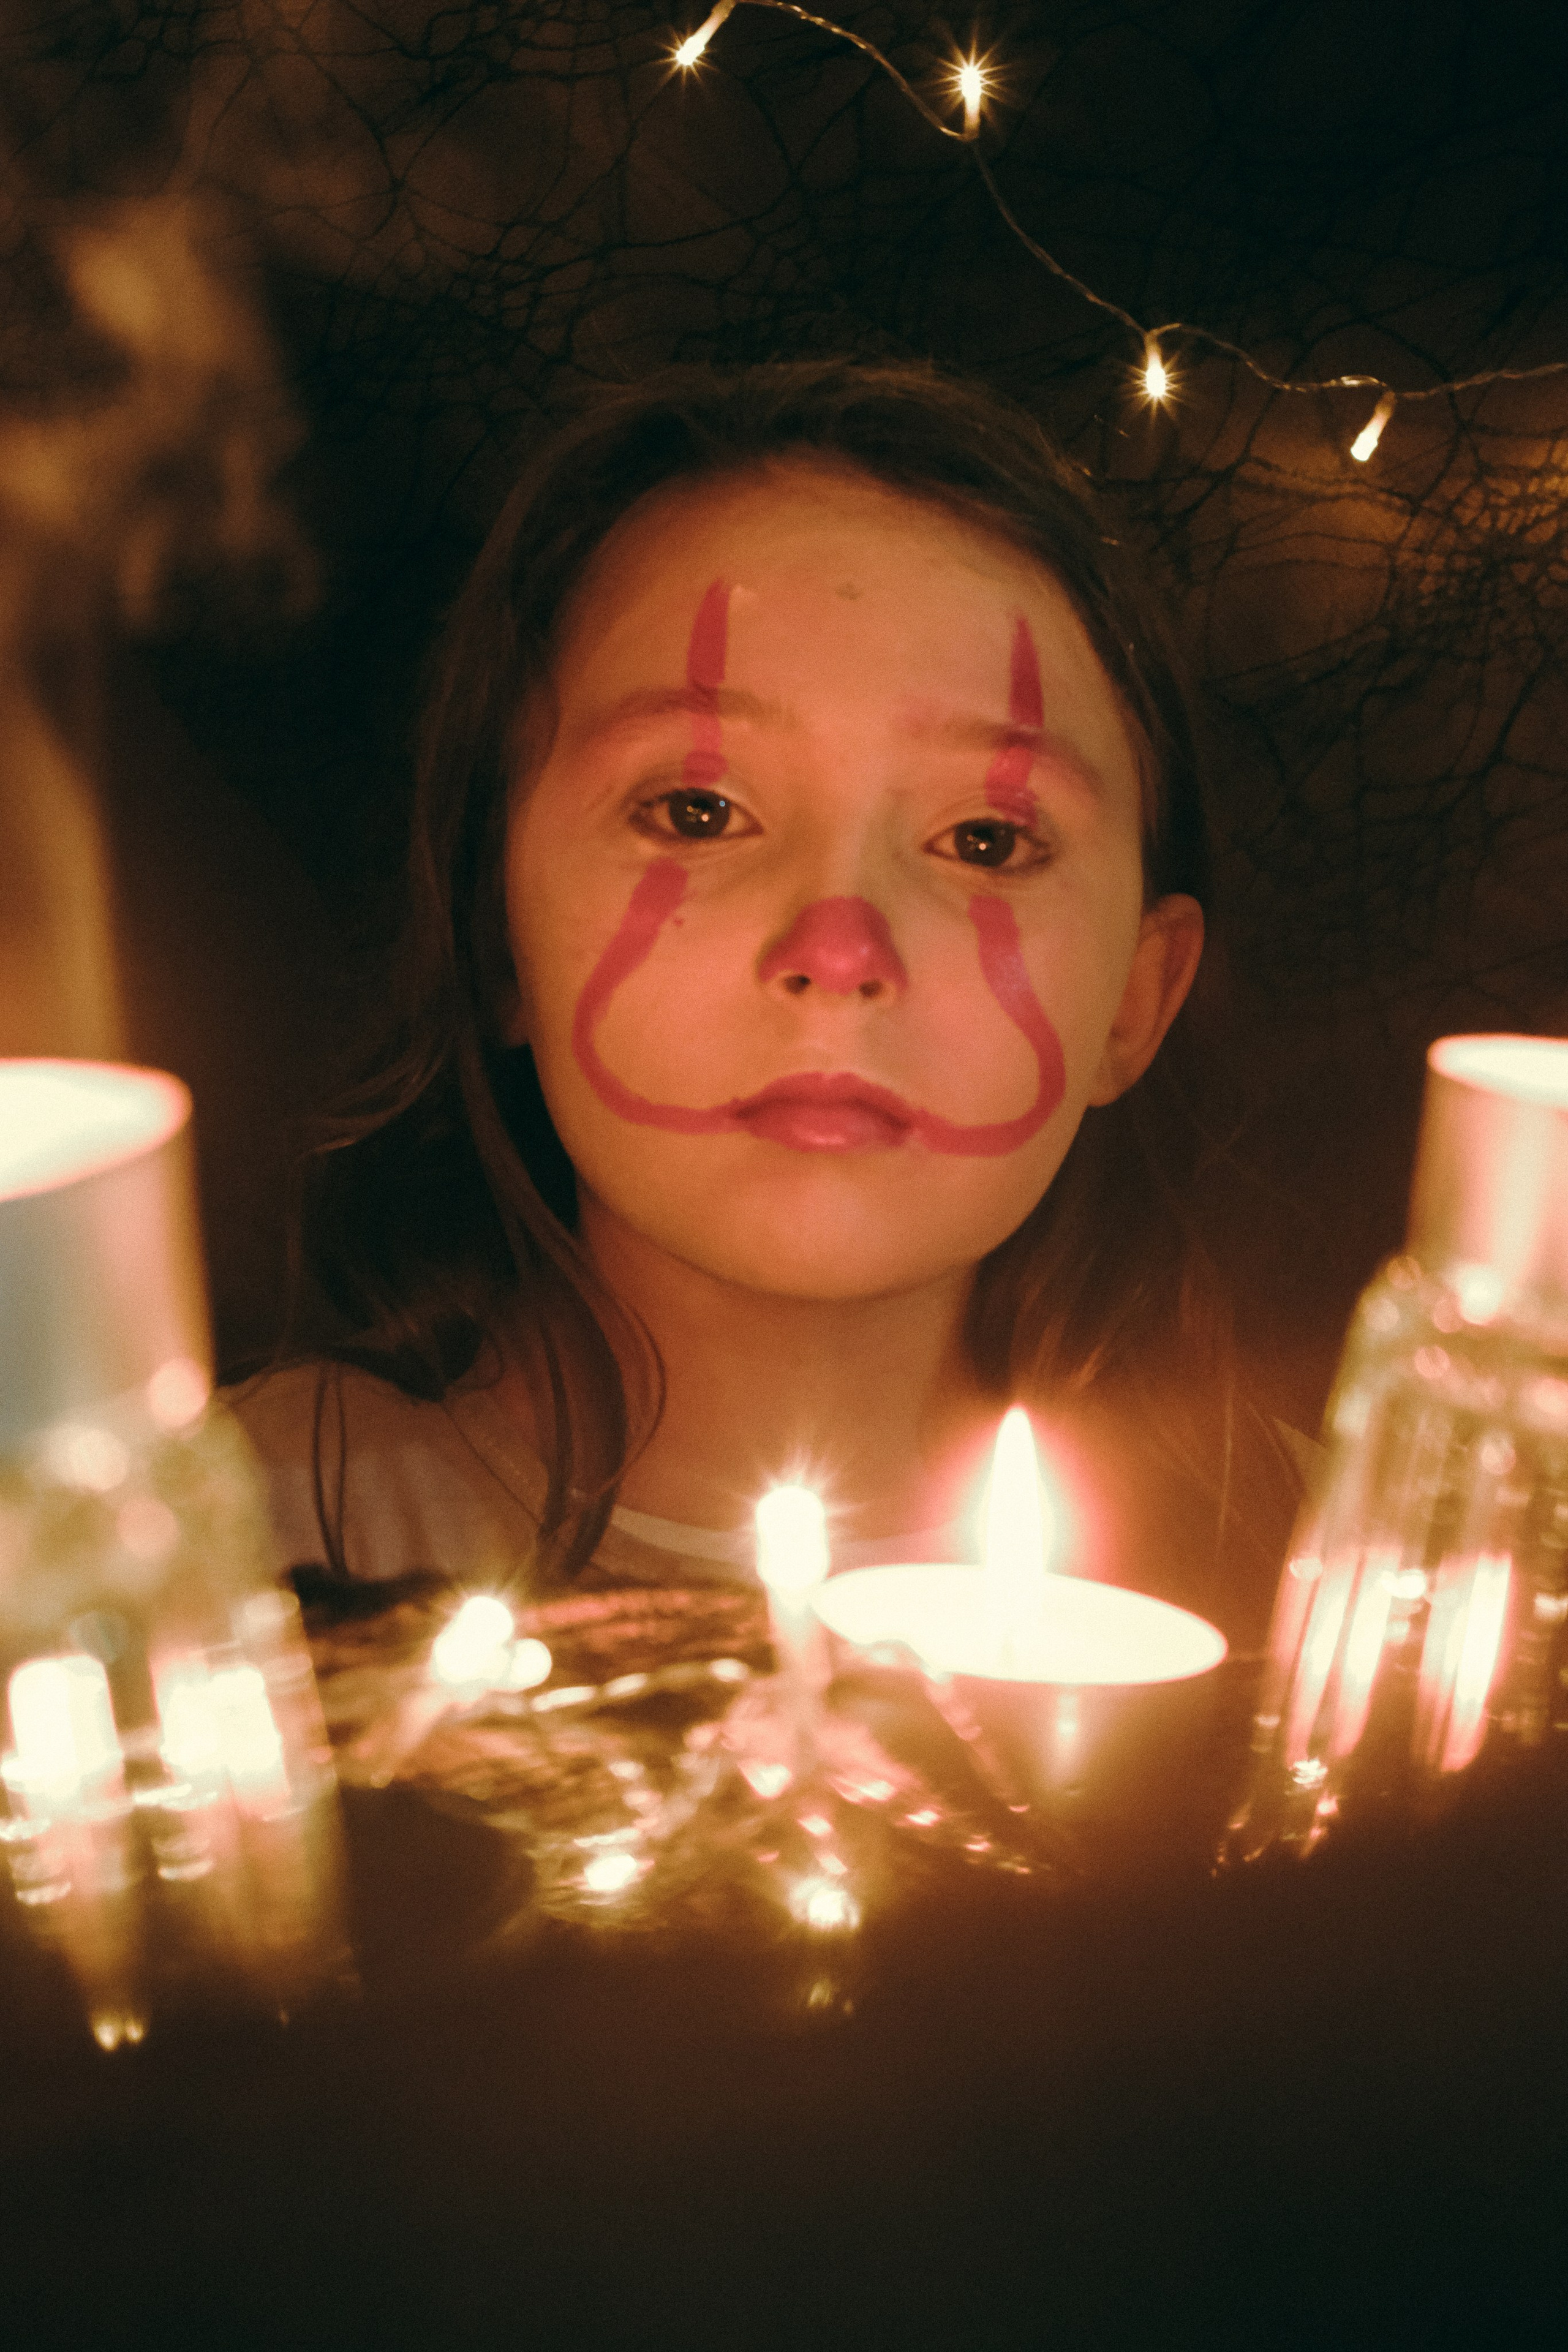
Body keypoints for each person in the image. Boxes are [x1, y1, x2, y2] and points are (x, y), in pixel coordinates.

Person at [230, 359, 1308, 1648]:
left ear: (1136, 1001)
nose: (838, 949)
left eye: (982, 840)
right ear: (494, 935)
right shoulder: (196, 1559)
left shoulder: (1330, 1585)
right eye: (696, 813)